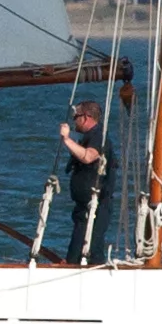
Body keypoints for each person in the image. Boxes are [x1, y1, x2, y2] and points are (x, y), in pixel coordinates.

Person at [52, 104, 112, 266]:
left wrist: (66, 139)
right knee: (79, 242)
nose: (74, 121)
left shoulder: (99, 136)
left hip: (96, 205)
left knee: (92, 246)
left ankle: (83, 267)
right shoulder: (88, 137)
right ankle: (72, 262)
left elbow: (88, 156)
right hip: (84, 205)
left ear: (86, 117)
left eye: (76, 117)